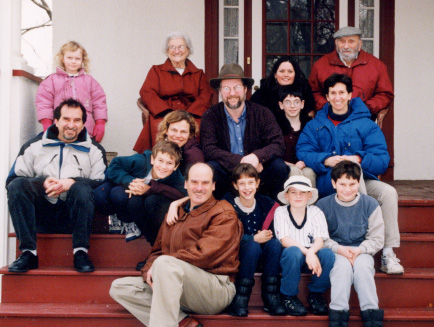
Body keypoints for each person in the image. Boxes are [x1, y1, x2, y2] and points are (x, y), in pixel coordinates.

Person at [109, 163, 243, 327]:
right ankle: (182, 321)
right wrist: (149, 271)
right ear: (185, 184)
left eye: (205, 183)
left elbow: (205, 255)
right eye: (194, 182)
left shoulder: (223, 212)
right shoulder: (175, 213)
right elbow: (156, 252)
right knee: (119, 288)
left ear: (213, 186)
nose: (199, 188)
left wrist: (160, 265)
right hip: (177, 284)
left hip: (215, 289)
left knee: (164, 264)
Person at [297, 73, 404, 275]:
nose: (337, 97)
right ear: (327, 97)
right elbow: (303, 150)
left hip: (360, 179)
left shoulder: (366, 124)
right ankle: (355, 242)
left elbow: (382, 159)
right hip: (328, 181)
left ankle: (387, 253)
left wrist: (359, 159)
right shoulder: (315, 124)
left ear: (349, 95)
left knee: (388, 192)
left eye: (341, 93)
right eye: (333, 93)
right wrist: (324, 159)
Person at [6, 98, 106, 273]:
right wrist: (41, 182)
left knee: (81, 188)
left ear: (83, 124)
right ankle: (29, 253)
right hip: (41, 215)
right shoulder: (33, 146)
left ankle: (80, 252)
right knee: (17, 186)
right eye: (66, 119)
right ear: (56, 121)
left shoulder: (95, 150)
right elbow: (12, 181)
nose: (71, 125)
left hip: (74, 217)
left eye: (77, 120)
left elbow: (101, 186)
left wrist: (72, 182)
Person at [200, 63, 287, 200]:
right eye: (227, 88)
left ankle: (272, 211)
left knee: (278, 167)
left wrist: (257, 157)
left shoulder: (262, 113)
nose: (232, 93)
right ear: (220, 91)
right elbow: (209, 149)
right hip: (228, 174)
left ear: (245, 89)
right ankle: (218, 212)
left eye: (237, 87)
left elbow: (278, 144)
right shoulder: (210, 115)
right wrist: (242, 161)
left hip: (258, 174)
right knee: (212, 167)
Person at [316, 161, 385, 327]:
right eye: (342, 184)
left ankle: (372, 317)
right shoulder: (322, 206)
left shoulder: (370, 205)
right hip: (336, 250)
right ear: (334, 184)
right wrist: (339, 249)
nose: (347, 189)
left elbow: (377, 238)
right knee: (341, 269)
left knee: (363, 269)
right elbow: (321, 237)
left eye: (352, 184)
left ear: (359, 183)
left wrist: (360, 250)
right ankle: (338, 316)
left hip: (362, 251)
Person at [94, 141, 186, 250]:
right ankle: (120, 217)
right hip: (121, 183)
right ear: (152, 159)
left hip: (141, 194)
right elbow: (114, 165)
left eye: (169, 163)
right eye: (160, 161)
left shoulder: (175, 176)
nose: (163, 166)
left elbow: (183, 193)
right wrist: (130, 181)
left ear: (176, 166)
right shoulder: (140, 161)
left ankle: (135, 224)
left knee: (137, 201)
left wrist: (153, 187)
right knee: (111, 194)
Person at [133, 31, 214, 153]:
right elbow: (147, 92)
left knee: (198, 130)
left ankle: (193, 161)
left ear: (188, 49)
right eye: (172, 47)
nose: (177, 51)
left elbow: (205, 95)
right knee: (159, 128)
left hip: (191, 113)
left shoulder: (198, 73)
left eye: (181, 46)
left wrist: (188, 115)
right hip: (163, 113)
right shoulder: (156, 70)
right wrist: (168, 113)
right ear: (167, 50)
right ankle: (158, 161)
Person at [222, 164, 285, 317]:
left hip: (263, 260)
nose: (247, 188)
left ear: (257, 183)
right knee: (252, 246)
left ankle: (271, 295)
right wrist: (252, 238)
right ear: (235, 185)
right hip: (237, 258)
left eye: (250, 182)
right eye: (242, 183)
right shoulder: (227, 205)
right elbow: (224, 237)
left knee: (274, 244)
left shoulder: (266, 204)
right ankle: (241, 298)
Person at [274, 175, 334, 316]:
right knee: (293, 252)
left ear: (309, 195)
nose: (298, 196)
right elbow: (285, 240)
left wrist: (311, 252)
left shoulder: (315, 212)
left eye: (303, 193)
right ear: (287, 196)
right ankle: (288, 296)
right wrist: (308, 253)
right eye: (293, 192)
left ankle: (316, 295)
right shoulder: (281, 212)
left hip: (312, 258)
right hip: (291, 259)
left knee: (328, 255)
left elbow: (320, 240)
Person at [309, 26, 394, 118]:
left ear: (360, 44)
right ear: (336, 44)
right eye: (342, 41)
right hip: (329, 119)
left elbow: (385, 94)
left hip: (362, 119)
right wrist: (329, 107)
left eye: (351, 41)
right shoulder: (320, 65)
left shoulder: (377, 66)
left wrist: (366, 107)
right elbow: (312, 92)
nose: (346, 46)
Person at [36, 41, 108, 142]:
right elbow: (44, 102)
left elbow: (99, 103)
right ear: (62, 58)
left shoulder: (89, 81)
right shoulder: (51, 80)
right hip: (59, 132)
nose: (73, 61)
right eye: (69, 58)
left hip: (85, 131)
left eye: (77, 58)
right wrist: (46, 123)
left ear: (83, 60)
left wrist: (100, 123)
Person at [250, 56, 315, 121]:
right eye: (282, 71)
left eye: (290, 71)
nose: (286, 75)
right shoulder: (262, 94)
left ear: (295, 74)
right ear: (275, 75)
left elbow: (309, 116)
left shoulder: (305, 92)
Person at [277, 85, 316, 186]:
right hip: (286, 166)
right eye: (287, 102)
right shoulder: (276, 126)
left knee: (309, 173)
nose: (292, 106)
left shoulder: (309, 124)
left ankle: (311, 200)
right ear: (281, 105)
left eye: (296, 101)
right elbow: (274, 155)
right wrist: (292, 165)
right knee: (294, 171)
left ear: (302, 104)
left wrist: (304, 163)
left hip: (305, 165)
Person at [155, 110, 204, 175]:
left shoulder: (194, 155)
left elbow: (192, 184)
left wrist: (151, 185)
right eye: (174, 130)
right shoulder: (163, 146)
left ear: (190, 134)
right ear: (166, 130)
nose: (178, 135)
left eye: (183, 132)